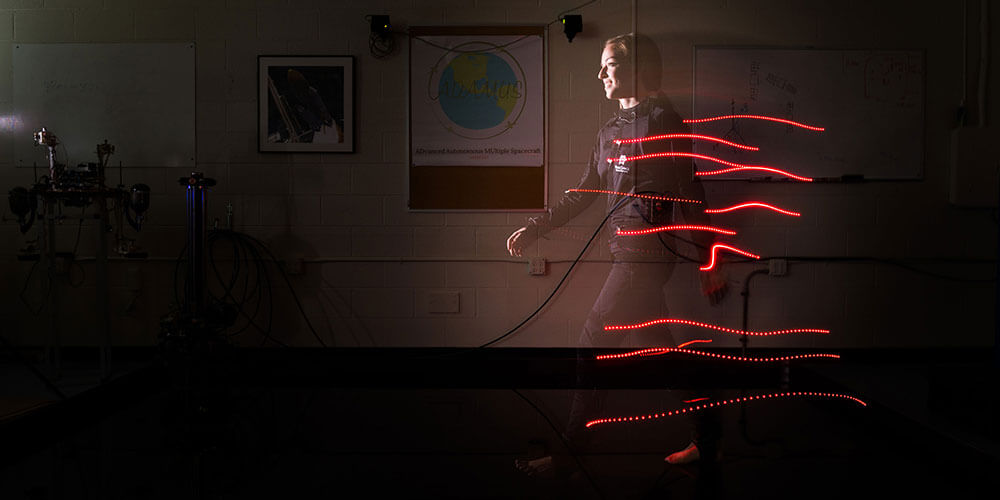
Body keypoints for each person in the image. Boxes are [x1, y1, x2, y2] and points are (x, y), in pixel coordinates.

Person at [508, 33, 728, 477]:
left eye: (609, 65)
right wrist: (536, 227)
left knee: (592, 341)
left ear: (637, 68)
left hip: (646, 256)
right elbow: (583, 192)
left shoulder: (666, 122)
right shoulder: (610, 130)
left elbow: (691, 193)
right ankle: (709, 439)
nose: (600, 74)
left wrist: (710, 261)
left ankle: (571, 455)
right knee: (663, 355)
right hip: (623, 252)